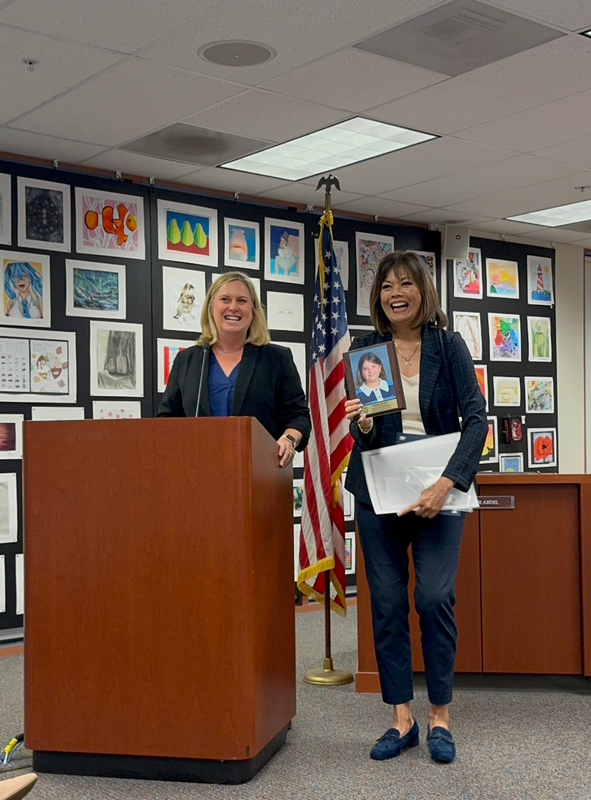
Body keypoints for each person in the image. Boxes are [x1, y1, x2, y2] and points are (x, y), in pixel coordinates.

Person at [344, 251, 487, 764]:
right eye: (386, 286)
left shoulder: (448, 347)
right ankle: (401, 719)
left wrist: (447, 483)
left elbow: (476, 419)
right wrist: (360, 425)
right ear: (378, 296)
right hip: (378, 492)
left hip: (439, 490)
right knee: (385, 603)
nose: (395, 292)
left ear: (423, 291)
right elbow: (368, 437)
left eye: (405, 283)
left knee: (433, 597)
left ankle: (440, 717)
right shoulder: (366, 349)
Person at [158, 271, 310, 466]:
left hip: (260, 474)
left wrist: (288, 440)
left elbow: (298, 415)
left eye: (242, 301)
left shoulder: (277, 359)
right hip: (196, 475)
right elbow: (166, 419)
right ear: (211, 307)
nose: (233, 307)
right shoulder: (187, 360)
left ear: (253, 310)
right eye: (225, 299)